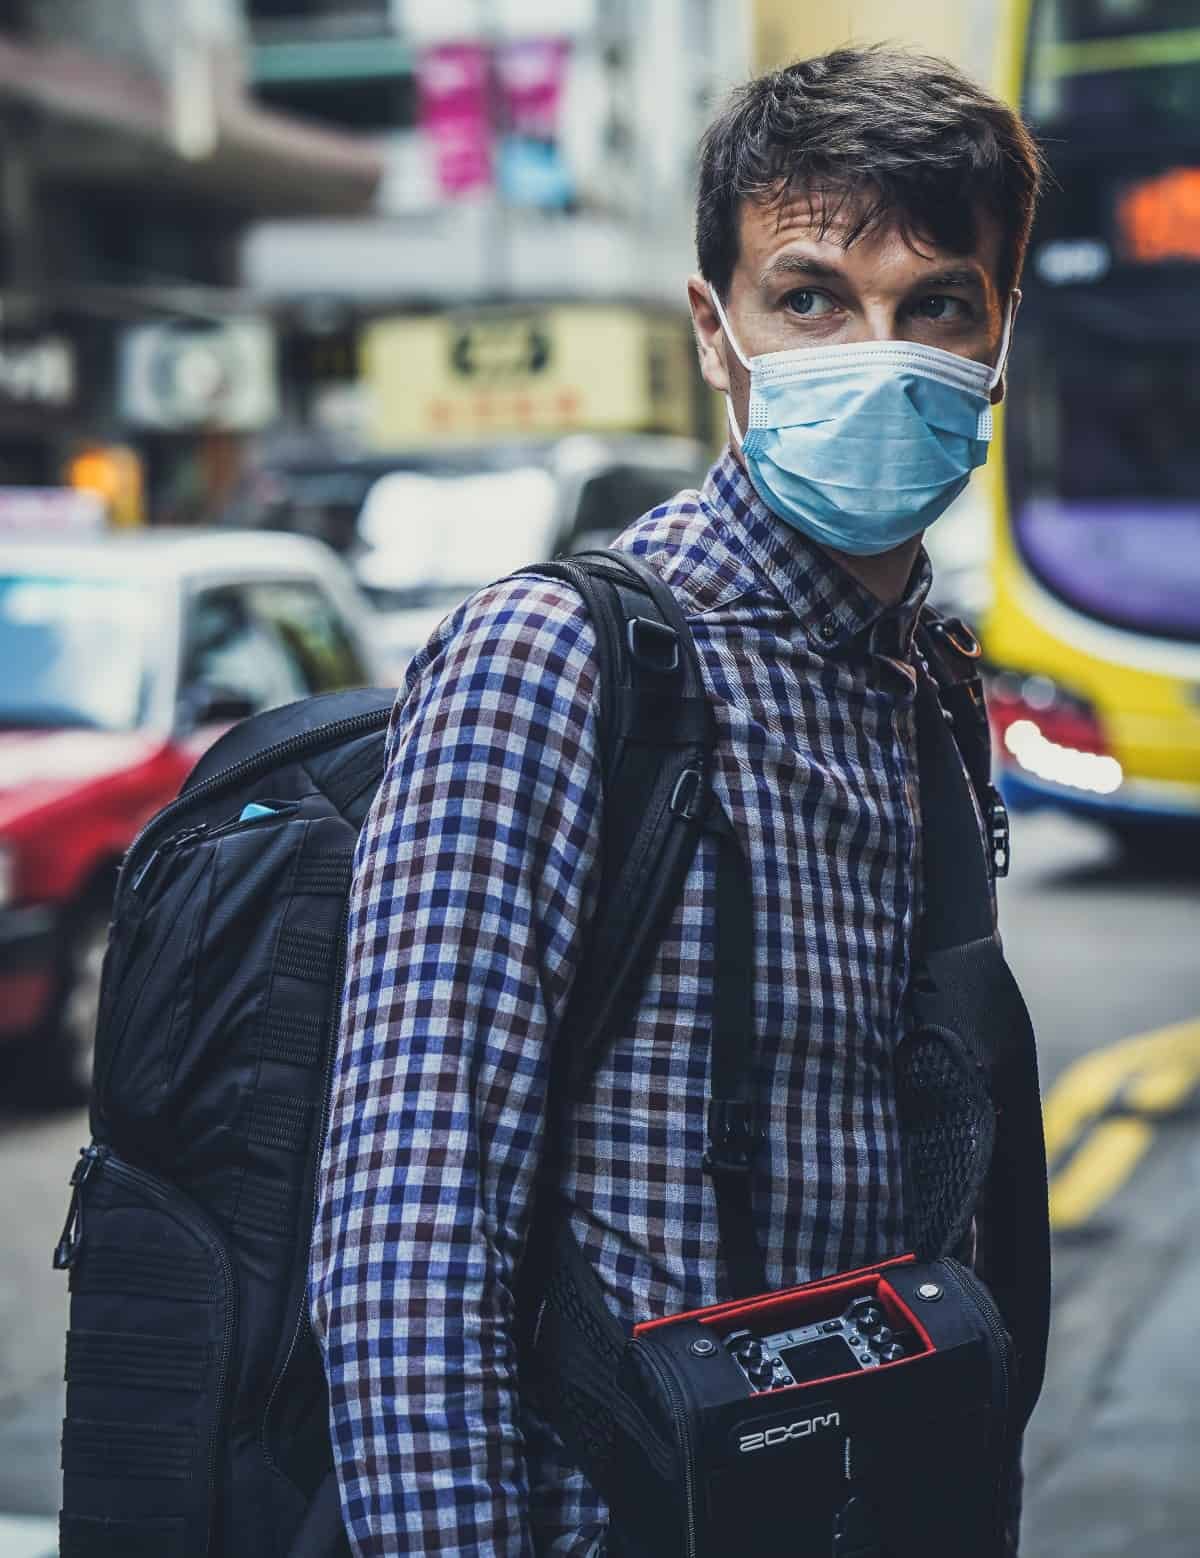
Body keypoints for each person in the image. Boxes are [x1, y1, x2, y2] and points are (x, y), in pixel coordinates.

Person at [310, 45, 1045, 1558]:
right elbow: (407, 1240)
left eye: (935, 306)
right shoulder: (560, 661)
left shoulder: (923, 687)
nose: (879, 354)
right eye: (811, 299)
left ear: (999, 336)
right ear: (717, 331)